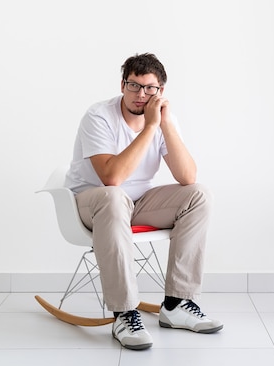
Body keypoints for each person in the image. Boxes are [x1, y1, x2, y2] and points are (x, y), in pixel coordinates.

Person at [65, 52, 223, 350]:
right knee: (113, 196)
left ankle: (177, 303)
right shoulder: (98, 116)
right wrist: (150, 127)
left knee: (199, 193)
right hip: (92, 203)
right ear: (122, 85)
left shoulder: (164, 119)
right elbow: (111, 178)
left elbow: (187, 176)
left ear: (160, 92)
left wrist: (165, 125)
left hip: (136, 204)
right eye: (133, 85)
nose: (141, 94)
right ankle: (124, 312)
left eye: (149, 88)